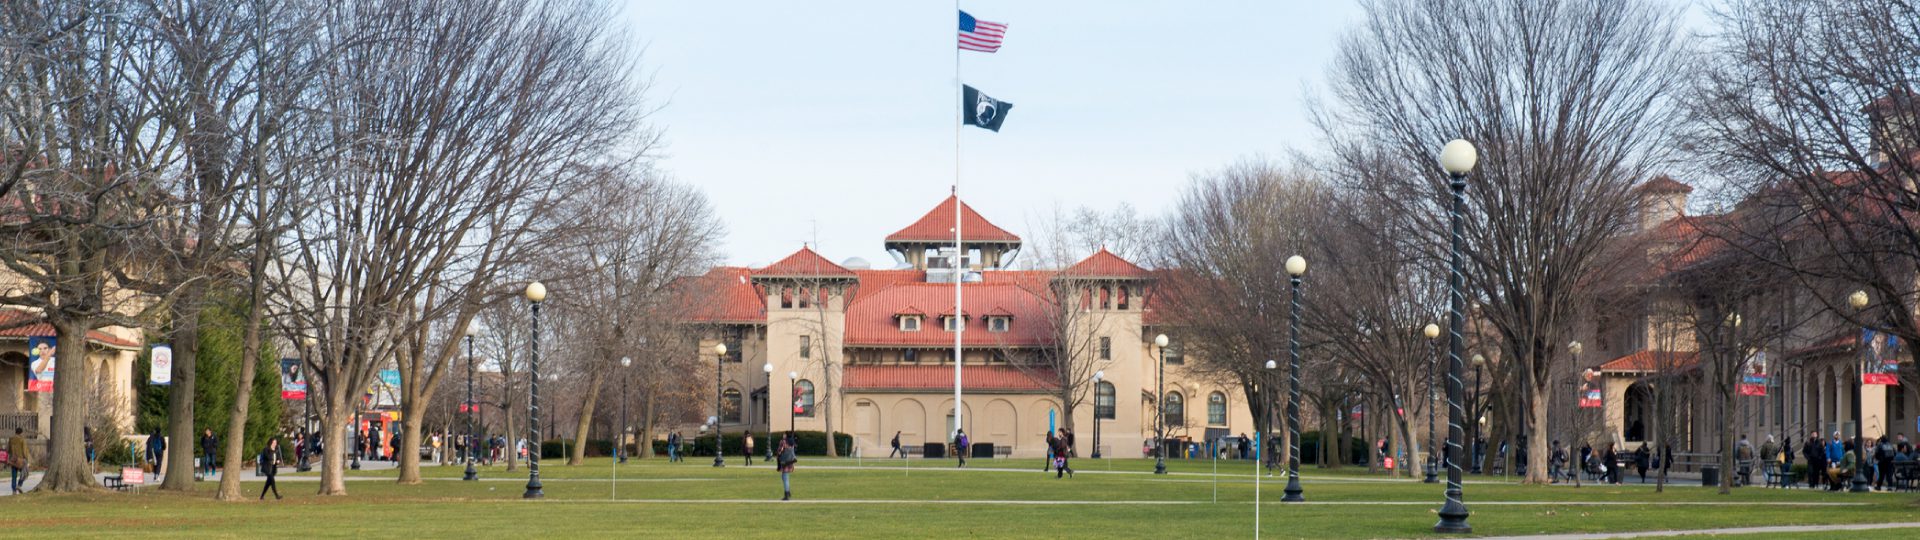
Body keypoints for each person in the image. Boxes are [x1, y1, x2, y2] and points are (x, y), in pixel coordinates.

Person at [8, 427, 30, 493]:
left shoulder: (11, 439)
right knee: (25, 473)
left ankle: (14, 490)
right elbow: (24, 450)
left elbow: (8, 450)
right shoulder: (22, 440)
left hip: (13, 460)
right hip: (21, 461)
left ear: (16, 432)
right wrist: (27, 459)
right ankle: (19, 485)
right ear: (21, 433)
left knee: (14, 476)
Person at [776, 433, 797, 501]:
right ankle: (788, 492)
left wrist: (778, 454)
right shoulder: (791, 442)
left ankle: (786, 494)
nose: (783, 435)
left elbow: (779, 451)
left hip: (785, 462)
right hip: (790, 462)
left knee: (785, 478)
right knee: (785, 477)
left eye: (784, 434)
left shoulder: (783, 442)